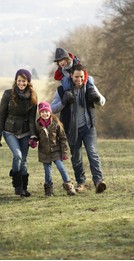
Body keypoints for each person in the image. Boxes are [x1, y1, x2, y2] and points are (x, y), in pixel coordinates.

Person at [51, 64, 107, 194]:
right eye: (76, 77)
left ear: (84, 76)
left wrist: (96, 98)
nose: (79, 80)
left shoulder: (89, 87)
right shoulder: (62, 90)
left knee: (92, 153)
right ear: (71, 76)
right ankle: (80, 183)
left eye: (81, 77)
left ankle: (98, 182)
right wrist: (64, 102)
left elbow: (102, 101)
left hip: (88, 127)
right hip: (71, 129)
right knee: (76, 157)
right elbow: (52, 109)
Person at [0, 69, 37, 197]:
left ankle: (24, 188)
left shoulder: (32, 96)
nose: (21, 83)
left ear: (28, 82)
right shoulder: (8, 94)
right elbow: (2, 115)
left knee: (24, 160)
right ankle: (17, 186)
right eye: (19, 80)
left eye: (24, 81)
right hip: (9, 131)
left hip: (25, 132)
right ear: (16, 81)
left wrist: (33, 135)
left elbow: (31, 119)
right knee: (18, 156)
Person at [35, 101, 76, 196]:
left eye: (46, 111)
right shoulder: (38, 125)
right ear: (39, 113)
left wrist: (64, 153)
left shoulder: (56, 123)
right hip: (44, 152)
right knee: (47, 172)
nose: (44, 114)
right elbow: (35, 136)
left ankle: (69, 187)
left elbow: (63, 138)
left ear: (50, 112)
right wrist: (33, 141)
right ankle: (49, 190)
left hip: (56, 151)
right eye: (42, 112)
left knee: (61, 168)